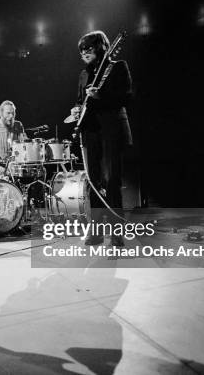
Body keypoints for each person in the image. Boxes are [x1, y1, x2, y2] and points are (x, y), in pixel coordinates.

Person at [70, 30, 133, 246]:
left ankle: (116, 234)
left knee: (112, 181)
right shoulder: (83, 74)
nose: (84, 53)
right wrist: (77, 110)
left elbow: (128, 97)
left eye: (88, 48)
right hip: (90, 132)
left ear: (101, 47)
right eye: (81, 51)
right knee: (92, 182)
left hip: (112, 130)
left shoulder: (117, 67)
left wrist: (101, 96)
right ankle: (96, 232)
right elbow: (80, 101)